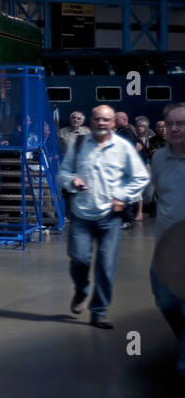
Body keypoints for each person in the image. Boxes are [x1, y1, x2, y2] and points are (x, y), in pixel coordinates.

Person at [56, 105, 150, 329]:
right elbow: (62, 173)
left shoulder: (123, 148)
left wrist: (122, 196)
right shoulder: (79, 145)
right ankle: (81, 291)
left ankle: (99, 310)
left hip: (110, 218)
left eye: (106, 120)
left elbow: (140, 177)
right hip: (81, 216)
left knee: (106, 266)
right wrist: (72, 181)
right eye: (97, 119)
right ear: (92, 120)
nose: (101, 123)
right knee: (79, 260)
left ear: (113, 123)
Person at [147, 103, 185, 378]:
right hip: (165, 247)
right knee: (166, 302)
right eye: (170, 123)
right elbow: (153, 194)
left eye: (181, 123)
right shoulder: (158, 158)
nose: (174, 128)